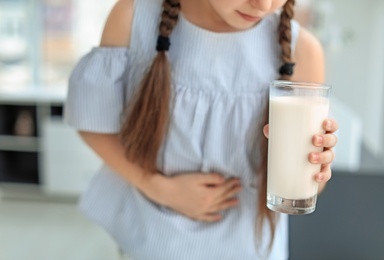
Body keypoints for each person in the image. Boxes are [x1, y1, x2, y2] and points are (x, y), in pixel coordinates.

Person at [65, 0, 338, 259]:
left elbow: (304, 185)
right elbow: (93, 121)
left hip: (250, 250)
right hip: (150, 241)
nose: (264, 5)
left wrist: (316, 169)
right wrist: (158, 187)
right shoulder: (133, 18)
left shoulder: (303, 50)